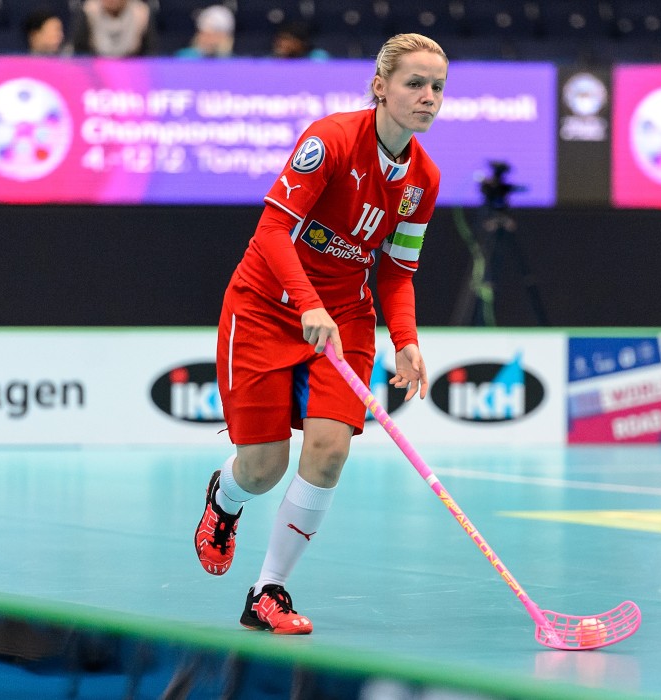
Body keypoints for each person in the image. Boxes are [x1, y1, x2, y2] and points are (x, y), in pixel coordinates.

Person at [194, 33, 448, 635]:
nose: (428, 97)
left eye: (437, 87)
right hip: (263, 308)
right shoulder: (329, 140)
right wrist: (306, 303)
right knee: (261, 468)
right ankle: (225, 500)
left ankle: (268, 591)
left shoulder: (424, 180)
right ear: (381, 87)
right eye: (415, 83)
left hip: (345, 320)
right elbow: (272, 232)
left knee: (329, 453)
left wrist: (405, 339)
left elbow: (398, 272)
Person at [68, 0, 157, 56]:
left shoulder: (141, 13)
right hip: (95, 72)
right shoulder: (89, 11)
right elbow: (79, 53)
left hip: (132, 73)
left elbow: (150, 55)